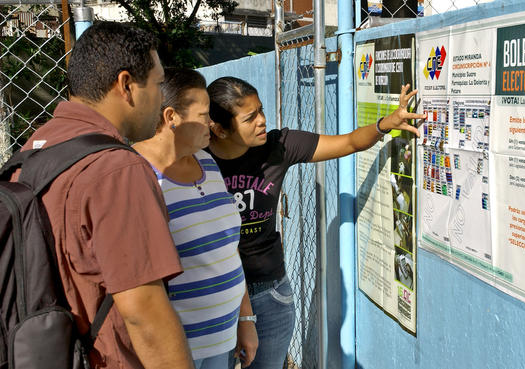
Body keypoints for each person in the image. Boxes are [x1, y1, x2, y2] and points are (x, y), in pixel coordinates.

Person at [206, 77, 425, 369]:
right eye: (250, 117)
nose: (262, 120)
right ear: (219, 129)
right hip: (214, 295)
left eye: (260, 110)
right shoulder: (196, 160)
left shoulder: (278, 146)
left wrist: (386, 123)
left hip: (269, 293)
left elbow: (348, 142)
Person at [15, 22, 194, 369]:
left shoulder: (35, 148)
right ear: (126, 85)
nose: (160, 101)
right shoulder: (118, 169)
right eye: (157, 85)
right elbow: (145, 315)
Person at [134, 68, 259, 369]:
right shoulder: (137, 174)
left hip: (222, 338)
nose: (211, 124)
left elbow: (227, 250)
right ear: (171, 118)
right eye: (203, 115)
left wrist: (245, 319)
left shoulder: (207, 163)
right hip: (175, 349)